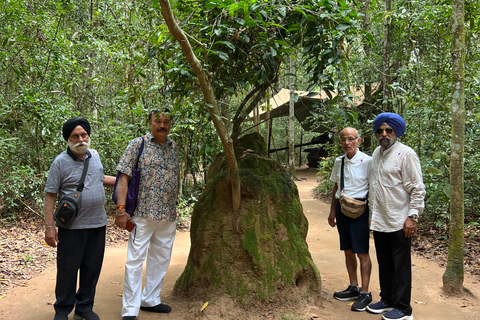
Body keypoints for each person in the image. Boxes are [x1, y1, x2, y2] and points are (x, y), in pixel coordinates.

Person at [44, 117, 116, 320]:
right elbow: (50, 194)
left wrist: (125, 181)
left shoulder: (95, 156)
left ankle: (84, 308)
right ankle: (62, 310)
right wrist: (50, 227)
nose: (80, 139)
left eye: (84, 135)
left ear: (89, 136)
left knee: (91, 268)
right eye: (75, 136)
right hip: (72, 227)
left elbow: (100, 179)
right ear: (68, 139)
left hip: (98, 223)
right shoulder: (60, 162)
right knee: (67, 270)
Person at [115, 109, 179, 320]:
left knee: (161, 258)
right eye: (157, 121)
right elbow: (123, 177)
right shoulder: (138, 144)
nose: (162, 125)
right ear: (150, 123)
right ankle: (130, 310)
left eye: (166, 121)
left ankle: (150, 299)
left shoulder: (173, 146)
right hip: (142, 214)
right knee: (135, 261)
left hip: (167, 214)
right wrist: (121, 210)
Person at [366, 113, 425, 320]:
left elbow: (417, 189)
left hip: (400, 220)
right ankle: (387, 299)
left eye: (388, 130)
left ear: (396, 132)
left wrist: (412, 217)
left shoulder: (406, 154)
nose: (384, 134)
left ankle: (403, 308)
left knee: (400, 265)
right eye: (380, 130)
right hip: (380, 220)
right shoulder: (376, 153)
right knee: (385, 262)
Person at [328, 127, 373, 312]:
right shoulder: (339, 161)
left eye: (351, 139)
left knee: (362, 252)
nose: (347, 143)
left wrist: (374, 216)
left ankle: (365, 292)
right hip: (342, 208)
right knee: (347, 250)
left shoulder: (368, 161)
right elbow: (336, 186)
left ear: (359, 140)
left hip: (360, 210)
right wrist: (332, 211)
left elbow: (375, 188)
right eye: (344, 140)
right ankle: (353, 287)